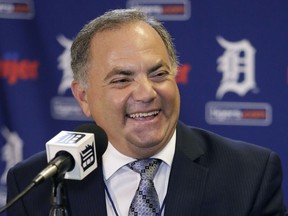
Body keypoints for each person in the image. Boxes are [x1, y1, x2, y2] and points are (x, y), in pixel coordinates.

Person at [6, 8, 287, 216]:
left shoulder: (249, 174)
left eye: (158, 74)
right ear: (83, 96)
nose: (146, 93)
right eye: (121, 80)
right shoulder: (40, 182)